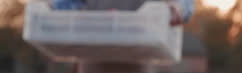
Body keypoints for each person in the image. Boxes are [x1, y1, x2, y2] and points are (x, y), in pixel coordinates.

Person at [51, 0, 194, 25]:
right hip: (91, 58)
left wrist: (178, 9)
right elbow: (62, 4)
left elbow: (184, 5)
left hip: (135, 61)